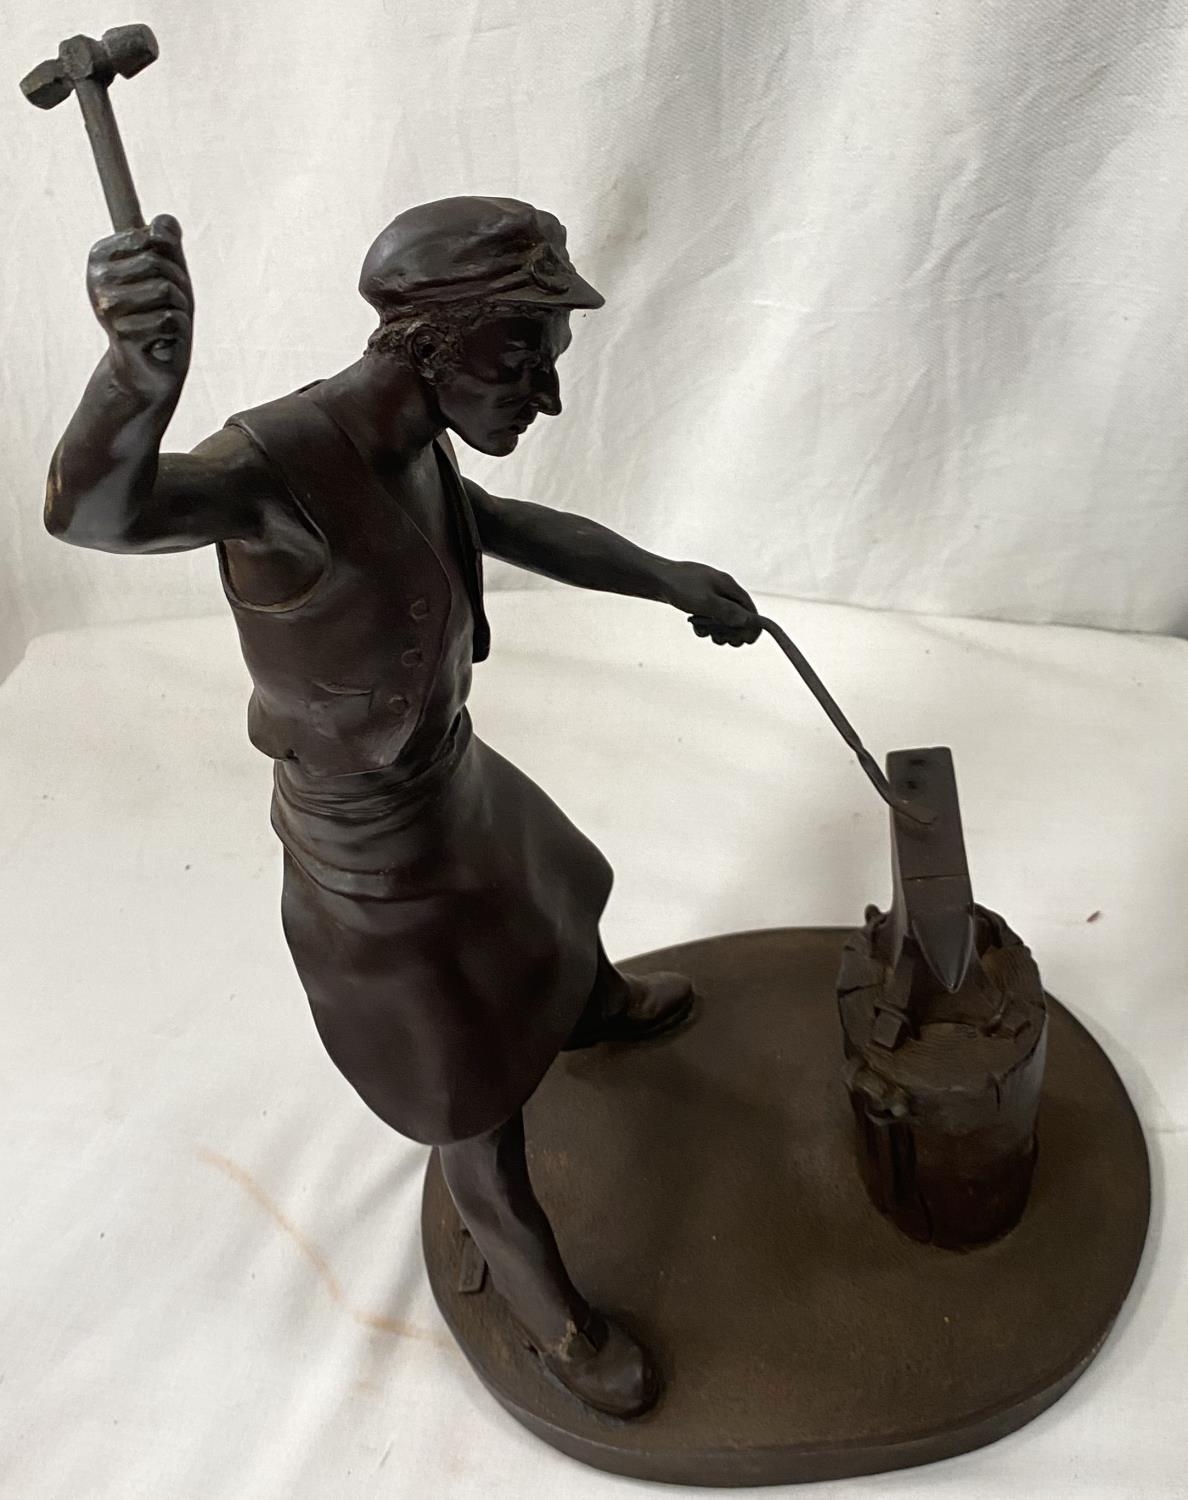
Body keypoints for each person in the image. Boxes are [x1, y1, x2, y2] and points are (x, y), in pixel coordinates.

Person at [45, 195, 760, 1418]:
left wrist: (669, 580)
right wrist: (132, 382)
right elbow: (95, 513)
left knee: (548, 896)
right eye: (523, 359)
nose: (546, 396)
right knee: (469, 1101)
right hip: (367, 846)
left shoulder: (416, 437)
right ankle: (553, 1317)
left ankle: (588, 1004)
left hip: (450, 778)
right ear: (433, 345)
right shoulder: (275, 468)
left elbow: (505, 525)